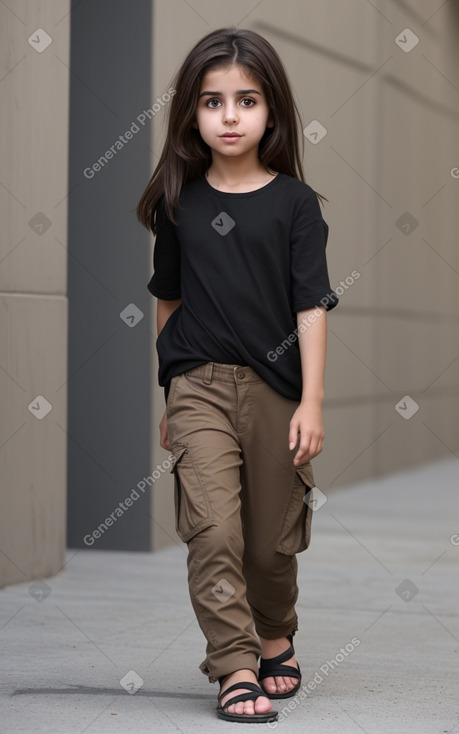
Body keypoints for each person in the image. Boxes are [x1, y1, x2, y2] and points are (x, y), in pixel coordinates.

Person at [136, 26, 338, 724]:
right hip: (197, 386)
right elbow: (169, 299)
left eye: (245, 100)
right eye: (212, 101)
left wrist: (310, 401)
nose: (228, 115)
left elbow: (310, 306)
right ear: (190, 113)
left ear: (271, 111)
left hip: (276, 393)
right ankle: (234, 664)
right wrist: (171, 390)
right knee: (213, 530)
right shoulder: (178, 203)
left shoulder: (295, 206)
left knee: (268, 544)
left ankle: (274, 630)